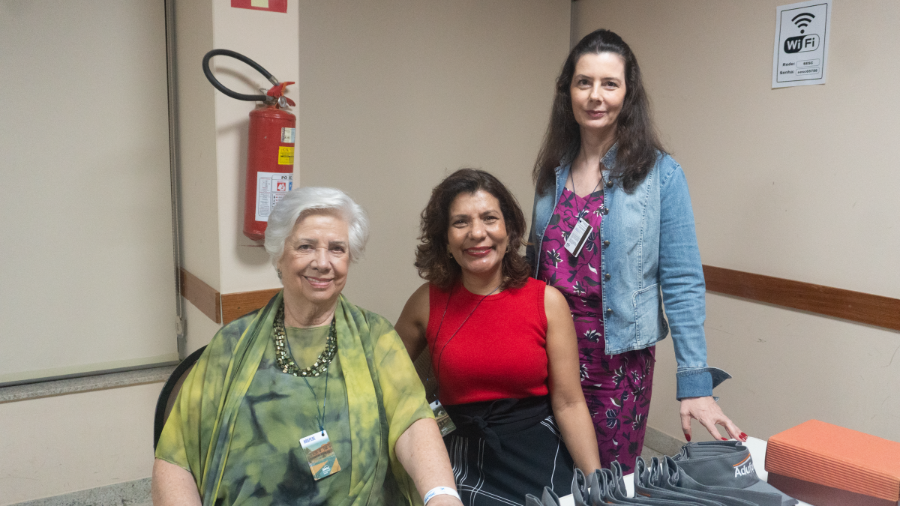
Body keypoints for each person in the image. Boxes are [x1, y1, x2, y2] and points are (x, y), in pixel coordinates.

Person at [152, 187, 463, 506]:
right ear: (279, 255)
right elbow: (176, 459)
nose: (323, 262)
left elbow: (413, 422)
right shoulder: (232, 343)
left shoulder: (376, 337)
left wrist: (442, 495)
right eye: (306, 246)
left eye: (337, 249)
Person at [526, 29, 745, 472]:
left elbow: (682, 281)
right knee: (549, 473)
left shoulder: (661, 175)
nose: (595, 96)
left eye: (610, 83)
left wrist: (695, 382)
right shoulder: (552, 171)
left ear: (628, 94)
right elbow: (535, 267)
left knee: (608, 481)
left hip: (617, 361)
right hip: (548, 353)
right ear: (568, 90)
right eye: (584, 82)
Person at [395, 169, 602, 505]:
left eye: (489, 218)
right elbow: (386, 384)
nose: (477, 233)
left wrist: (597, 484)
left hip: (537, 448)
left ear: (509, 231)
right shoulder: (425, 302)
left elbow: (569, 403)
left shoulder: (547, 302)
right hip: (458, 453)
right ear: (445, 239)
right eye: (460, 222)